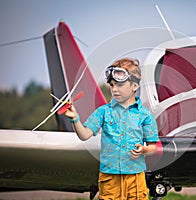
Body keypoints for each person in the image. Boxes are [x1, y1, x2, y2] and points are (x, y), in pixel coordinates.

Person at [63, 57, 159, 200]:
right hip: (110, 177)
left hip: (135, 178)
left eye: (120, 85)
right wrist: (75, 119)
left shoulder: (145, 115)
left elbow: (153, 146)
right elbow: (84, 134)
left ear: (134, 86)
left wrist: (144, 150)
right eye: (112, 85)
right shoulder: (103, 112)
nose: (114, 89)